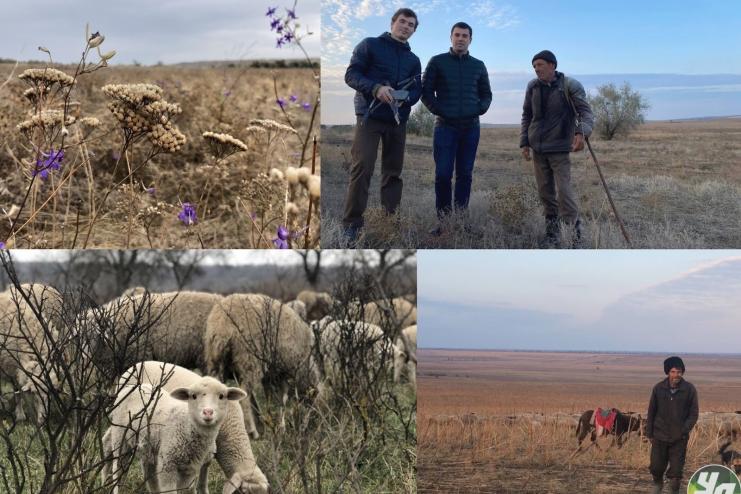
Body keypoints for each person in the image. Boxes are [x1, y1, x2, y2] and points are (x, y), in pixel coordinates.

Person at [341, 8, 422, 246]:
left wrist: (404, 97)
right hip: (370, 116)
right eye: (402, 22)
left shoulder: (413, 60)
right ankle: (352, 225)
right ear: (393, 23)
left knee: (393, 172)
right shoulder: (370, 45)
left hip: (398, 120)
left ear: (414, 31)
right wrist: (376, 88)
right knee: (362, 167)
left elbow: (417, 90)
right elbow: (351, 74)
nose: (405, 26)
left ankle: (390, 221)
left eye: (411, 25)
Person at [421, 22, 491, 236]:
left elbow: (486, 94)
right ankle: (443, 223)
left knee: (465, 174)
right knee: (443, 175)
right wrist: (440, 110)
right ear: (451, 37)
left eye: (465, 35)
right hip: (445, 128)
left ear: (471, 39)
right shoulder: (437, 62)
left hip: (470, 128)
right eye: (457, 35)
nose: (461, 38)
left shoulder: (478, 65)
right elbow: (425, 92)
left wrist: (478, 109)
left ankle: (461, 221)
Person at [519, 50, 593, 246]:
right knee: (545, 192)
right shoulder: (532, 86)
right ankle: (552, 234)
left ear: (552, 65)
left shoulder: (569, 85)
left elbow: (585, 112)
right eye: (534, 66)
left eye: (540, 65)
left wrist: (581, 132)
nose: (536, 69)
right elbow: (527, 115)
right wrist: (524, 142)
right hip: (538, 148)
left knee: (564, 192)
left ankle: (573, 234)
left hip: (560, 147)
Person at [646, 356, 699, 494]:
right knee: (656, 468)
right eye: (673, 371)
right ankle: (658, 484)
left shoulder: (689, 389)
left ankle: (674, 491)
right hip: (659, 436)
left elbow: (694, 414)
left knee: (676, 474)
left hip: (679, 439)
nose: (677, 375)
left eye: (679, 372)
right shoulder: (658, 388)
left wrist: (684, 430)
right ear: (668, 372)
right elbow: (651, 411)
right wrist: (649, 433)